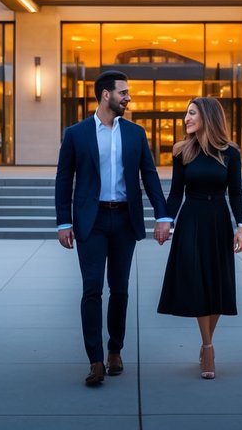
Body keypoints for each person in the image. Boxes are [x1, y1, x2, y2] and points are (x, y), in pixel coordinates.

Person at [55, 70, 172, 387]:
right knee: (92, 288)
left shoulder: (135, 134)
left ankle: (115, 350)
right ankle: (95, 360)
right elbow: (64, 180)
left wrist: (163, 215)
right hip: (90, 222)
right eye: (123, 92)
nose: (128, 97)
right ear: (105, 94)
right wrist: (64, 221)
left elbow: (149, 176)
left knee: (120, 288)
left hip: (123, 220)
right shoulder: (76, 134)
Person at [157, 96, 242, 380]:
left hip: (218, 220)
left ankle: (208, 339)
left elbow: (236, 193)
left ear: (207, 116)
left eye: (191, 113)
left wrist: (240, 227)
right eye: (186, 114)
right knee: (197, 282)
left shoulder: (230, 153)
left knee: (216, 283)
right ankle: (208, 347)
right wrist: (165, 221)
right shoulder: (182, 150)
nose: (186, 119)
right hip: (191, 220)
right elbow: (175, 193)